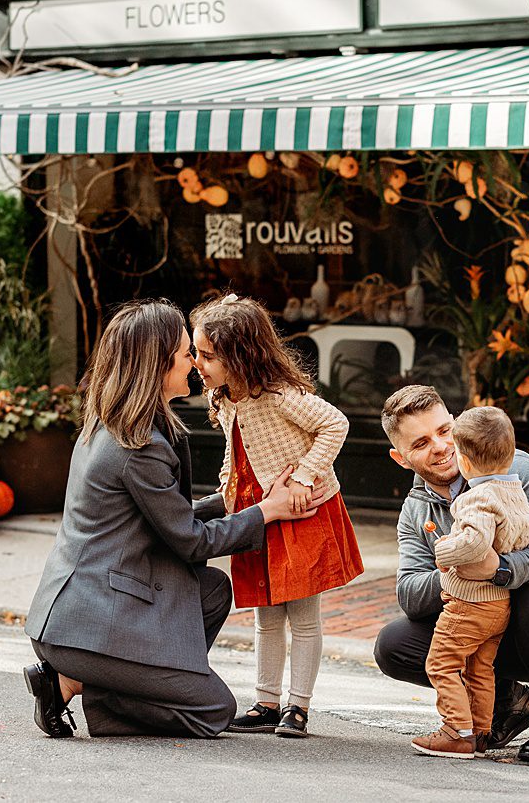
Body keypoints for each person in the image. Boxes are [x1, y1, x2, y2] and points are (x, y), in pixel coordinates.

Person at [23, 298, 321, 739]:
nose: (194, 364)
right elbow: (191, 541)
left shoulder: (117, 423)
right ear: (159, 364)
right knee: (214, 711)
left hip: (90, 608)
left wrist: (231, 499)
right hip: (87, 629)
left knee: (213, 589)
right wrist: (266, 511)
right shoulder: (138, 445)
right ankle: (78, 684)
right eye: (187, 354)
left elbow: (163, 518)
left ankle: (132, 683)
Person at [375, 385, 529, 764]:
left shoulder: (516, 470)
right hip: (497, 625)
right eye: (421, 442)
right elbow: (409, 594)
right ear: (401, 458)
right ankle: (507, 705)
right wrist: (457, 570)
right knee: (395, 643)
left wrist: (498, 568)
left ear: (456, 425)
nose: (440, 447)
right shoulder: (416, 509)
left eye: (444, 431)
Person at [190, 293, 363, 739]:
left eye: (208, 355)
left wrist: (306, 476)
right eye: (196, 353)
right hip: (259, 514)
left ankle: (298, 707)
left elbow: (335, 424)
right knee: (266, 615)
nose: (198, 363)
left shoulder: (280, 395)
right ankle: (266, 702)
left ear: (239, 354)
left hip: (301, 512)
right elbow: (236, 453)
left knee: (303, 616)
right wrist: (228, 494)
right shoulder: (226, 396)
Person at [410, 406, 529, 760]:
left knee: (440, 663)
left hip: (469, 604)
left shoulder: (476, 498)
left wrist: (444, 550)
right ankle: (481, 732)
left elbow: (473, 542)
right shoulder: (513, 491)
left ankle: (456, 730)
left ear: (464, 462)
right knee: (479, 668)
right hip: (499, 604)